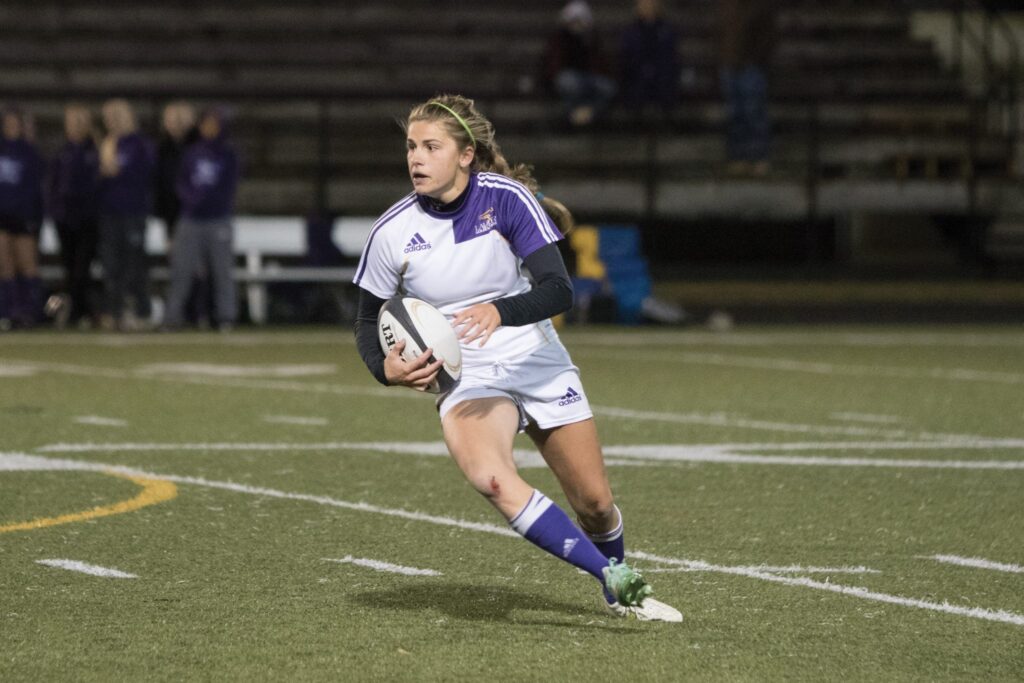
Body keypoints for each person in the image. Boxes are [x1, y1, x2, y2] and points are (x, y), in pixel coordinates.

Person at [352, 94, 682, 622]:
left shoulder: (506, 199)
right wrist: (383, 367)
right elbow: (367, 320)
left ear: (465, 155)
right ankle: (613, 578)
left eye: (431, 146)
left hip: (533, 355)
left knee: (595, 504)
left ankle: (614, 562)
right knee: (493, 478)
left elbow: (558, 290)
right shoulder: (392, 230)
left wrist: (499, 311)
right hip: (467, 373)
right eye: (411, 146)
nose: (415, 157)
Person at [163, 107, 239, 331]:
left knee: (221, 271)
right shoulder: (192, 152)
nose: (209, 128)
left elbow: (228, 186)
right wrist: (192, 200)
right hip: (191, 220)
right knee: (181, 271)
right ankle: (172, 318)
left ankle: (225, 317)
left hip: (218, 219)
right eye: (206, 124)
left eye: (214, 124)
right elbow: (181, 183)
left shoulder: (228, 154)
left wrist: (206, 199)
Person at [98, 99, 155, 331]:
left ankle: (140, 312)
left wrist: (116, 172)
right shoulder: (107, 144)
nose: (111, 121)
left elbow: (144, 174)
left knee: (133, 265)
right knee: (111, 266)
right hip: (109, 213)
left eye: (115, 116)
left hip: (133, 213)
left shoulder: (139, 144)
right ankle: (114, 312)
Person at [47, 104, 100, 328]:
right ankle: (77, 312)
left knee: (81, 269)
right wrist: (55, 210)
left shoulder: (95, 150)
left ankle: (79, 311)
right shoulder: (63, 151)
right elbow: (53, 184)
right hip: (65, 218)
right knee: (70, 269)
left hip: (87, 218)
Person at [0, 105, 44, 330]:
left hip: (23, 215)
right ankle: (8, 312)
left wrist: (35, 217)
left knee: (27, 264)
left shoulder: (29, 152)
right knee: (4, 263)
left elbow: (35, 188)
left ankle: (31, 312)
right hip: (2, 215)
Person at [719, 0, 775, 175]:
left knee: (754, 113)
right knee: (735, 115)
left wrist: (755, 60)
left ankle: (759, 158)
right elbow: (720, 34)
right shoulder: (726, 6)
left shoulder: (761, 6)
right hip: (730, 66)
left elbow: (769, 36)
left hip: (751, 68)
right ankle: (738, 157)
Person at [541, 1, 616, 128]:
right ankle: (573, 114)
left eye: (580, 20)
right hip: (569, 79)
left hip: (589, 78)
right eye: (574, 20)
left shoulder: (592, 39)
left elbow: (600, 64)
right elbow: (553, 66)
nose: (577, 24)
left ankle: (588, 113)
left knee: (608, 88)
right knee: (569, 84)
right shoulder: (559, 39)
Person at [619, 0, 681, 122]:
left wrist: (656, 69)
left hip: (661, 74)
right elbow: (627, 57)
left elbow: (670, 56)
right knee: (635, 87)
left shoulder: (666, 30)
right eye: (644, 6)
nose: (648, 9)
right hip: (637, 74)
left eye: (651, 5)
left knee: (665, 85)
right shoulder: (631, 31)